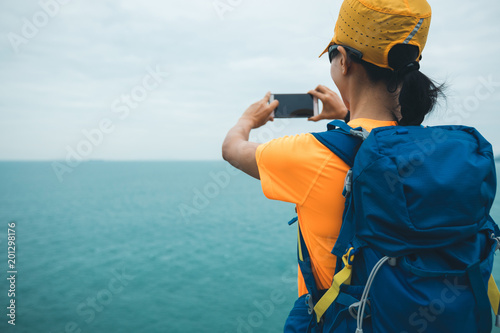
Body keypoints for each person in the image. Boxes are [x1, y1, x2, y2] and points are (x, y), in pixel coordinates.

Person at [222, 0, 443, 331]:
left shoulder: (311, 154)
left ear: (343, 61)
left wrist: (247, 119)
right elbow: (378, 141)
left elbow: (232, 148)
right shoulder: (434, 151)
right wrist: (346, 114)